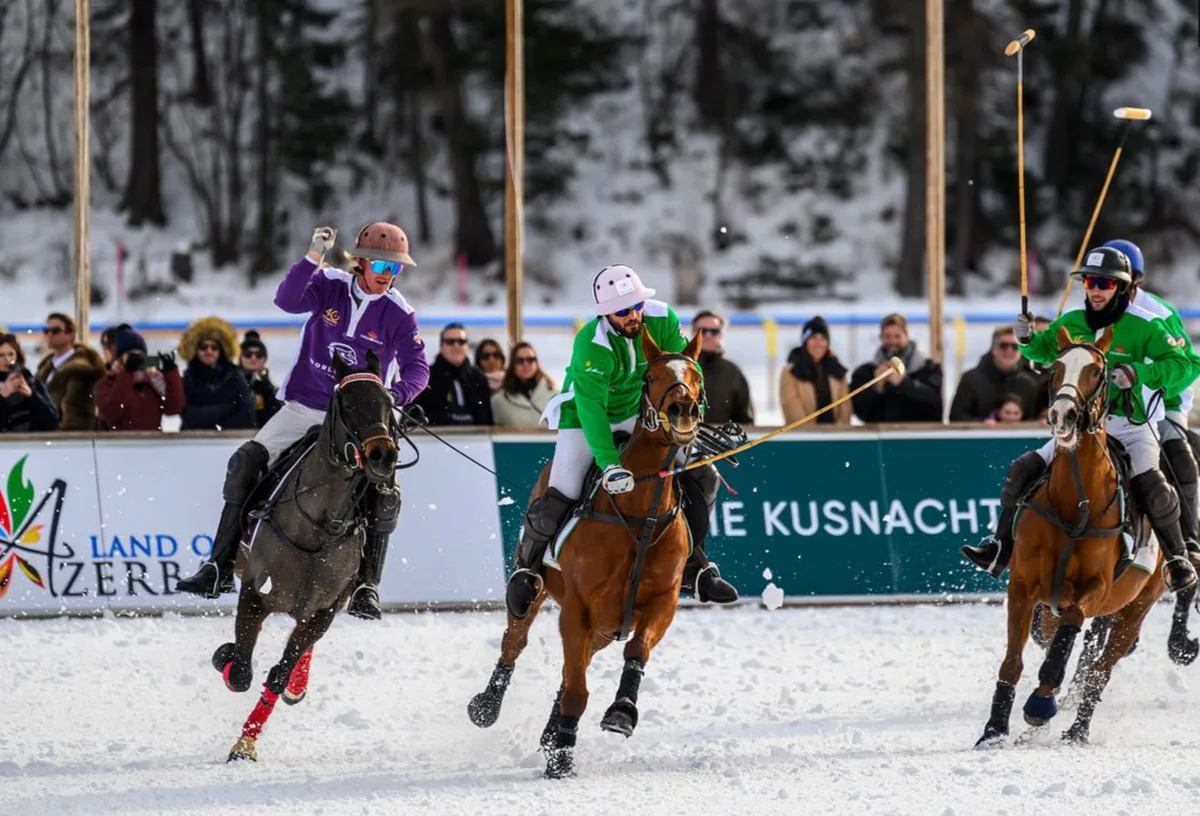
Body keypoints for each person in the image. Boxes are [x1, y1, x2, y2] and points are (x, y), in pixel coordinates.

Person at [175, 223, 431, 620]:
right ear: (360, 262)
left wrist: (393, 397)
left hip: (361, 419)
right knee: (245, 462)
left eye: (395, 269)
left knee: (385, 492)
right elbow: (286, 300)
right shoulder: (328, 284)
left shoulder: (399, 313)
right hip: (305, 407)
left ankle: (367, 586)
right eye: (380, 264)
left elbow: (417, 369)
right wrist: (313, 255)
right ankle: (218, 567)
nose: (386, 274)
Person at [503, 264, 739, 620]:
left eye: (636, 306)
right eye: (623, 310)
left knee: (701, 476)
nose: (633, 315)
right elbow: (593, 410)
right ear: (605, 313)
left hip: (641, 412)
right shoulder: (591, 344)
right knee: (563, 489)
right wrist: (610, 463)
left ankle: (697, 566)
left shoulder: (662, 319)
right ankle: (527, 570)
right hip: (584, 416)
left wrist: (690, 416)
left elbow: (687, 370)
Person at [961, 246, 1198, 592]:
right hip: (1082, 427)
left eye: (1104, 283)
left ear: (1121, 287)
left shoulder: (1147, 325)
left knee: (1154, 485)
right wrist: (1026, 339)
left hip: (1132, 424)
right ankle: (1000, 548)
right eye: (1090, 281)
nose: (1095, 290)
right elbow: (1044, 351)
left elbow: (1187, 366)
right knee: (1022, 470)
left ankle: (1178, 558)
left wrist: (1140, 372)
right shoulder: (1072, 322)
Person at [1103, 238, 1200, 567]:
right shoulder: (1089, 311)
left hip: (1161, 404)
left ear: (1136, 281)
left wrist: (1154, 386)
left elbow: (1187, 366)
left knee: (1180, 460)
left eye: (1117, 282)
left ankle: (1188, 543)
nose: (1108, 289)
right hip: (1102, 409)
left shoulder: (1158, 314)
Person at [849, 314, 943, 423]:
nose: (892, 341)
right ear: (881, 338)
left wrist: (904, 384)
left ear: (906, 336)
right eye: (887, 336)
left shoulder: (929, 369)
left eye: (897, 336)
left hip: (918, 435)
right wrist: (876, 386)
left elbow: (935, 407)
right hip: (880, 436)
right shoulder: (866, 372)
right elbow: (859, 411)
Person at [179, 316, 256, 431]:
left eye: (214, 347)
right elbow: (187, 416)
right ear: (195, 350)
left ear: (221, 351)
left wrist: (212, 419)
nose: (209, 351)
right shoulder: (188, 378)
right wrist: (226, 409)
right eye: (203, 347)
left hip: (227, 442)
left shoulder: (235, 377)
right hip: (193, 441)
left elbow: (246, 413)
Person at [34, 313, 105, 430]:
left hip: (67, 439)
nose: (50, 335)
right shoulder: (45, 368)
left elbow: (77, 416)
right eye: (46, 331)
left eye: (55, 331)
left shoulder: (82, 370)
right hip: (46, 437)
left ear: (70, 334)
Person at [414, 324, 493, 426]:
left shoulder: (478, 378)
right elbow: (413, 419)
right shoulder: (426, 378)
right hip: (435, 439)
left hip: (475, 439)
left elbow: (487, 419)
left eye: (461, 341)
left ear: (467, 346)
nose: (456, 346)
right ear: (441, 347)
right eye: (450, 342)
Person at [780, 316, 851, 426]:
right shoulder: (791, 372)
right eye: (813, 338)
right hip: (806, 438)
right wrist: (814, 436)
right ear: (805, 341)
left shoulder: (837, 371)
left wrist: (839, 433)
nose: (818, 343)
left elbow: (845, 409)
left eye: (822, 338)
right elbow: (792, 410)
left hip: (836, 438)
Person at [691, 310, 754, 425]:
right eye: (702, 331)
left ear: (721, 335)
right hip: (684, 441)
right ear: (692, 333)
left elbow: (745, 419)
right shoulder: (679, 369)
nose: (708, 336)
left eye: (714, 331)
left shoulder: (733, 372)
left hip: (723, 441)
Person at [490, 341, 558, 429]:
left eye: (530, 360)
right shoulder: (498, 400)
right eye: (520, 361)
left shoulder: (554, 396)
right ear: (512, 365)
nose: (525, 364)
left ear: (536, 363)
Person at [0, 333, 59, 432]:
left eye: (11, 354)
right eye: (1, 355)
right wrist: (3, 397)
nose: (7, 360)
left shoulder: (30, 381)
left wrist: (32, 396)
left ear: (17, 355)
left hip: (28, 443)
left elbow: (51, 423)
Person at [238, 330, 283, 428]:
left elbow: (279, 414)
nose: (253, 358)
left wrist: (267, 387)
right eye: (248, 354)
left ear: (265, 359)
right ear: (240, 357)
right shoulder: (230, 382)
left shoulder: (270, 389)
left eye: (258, 355)